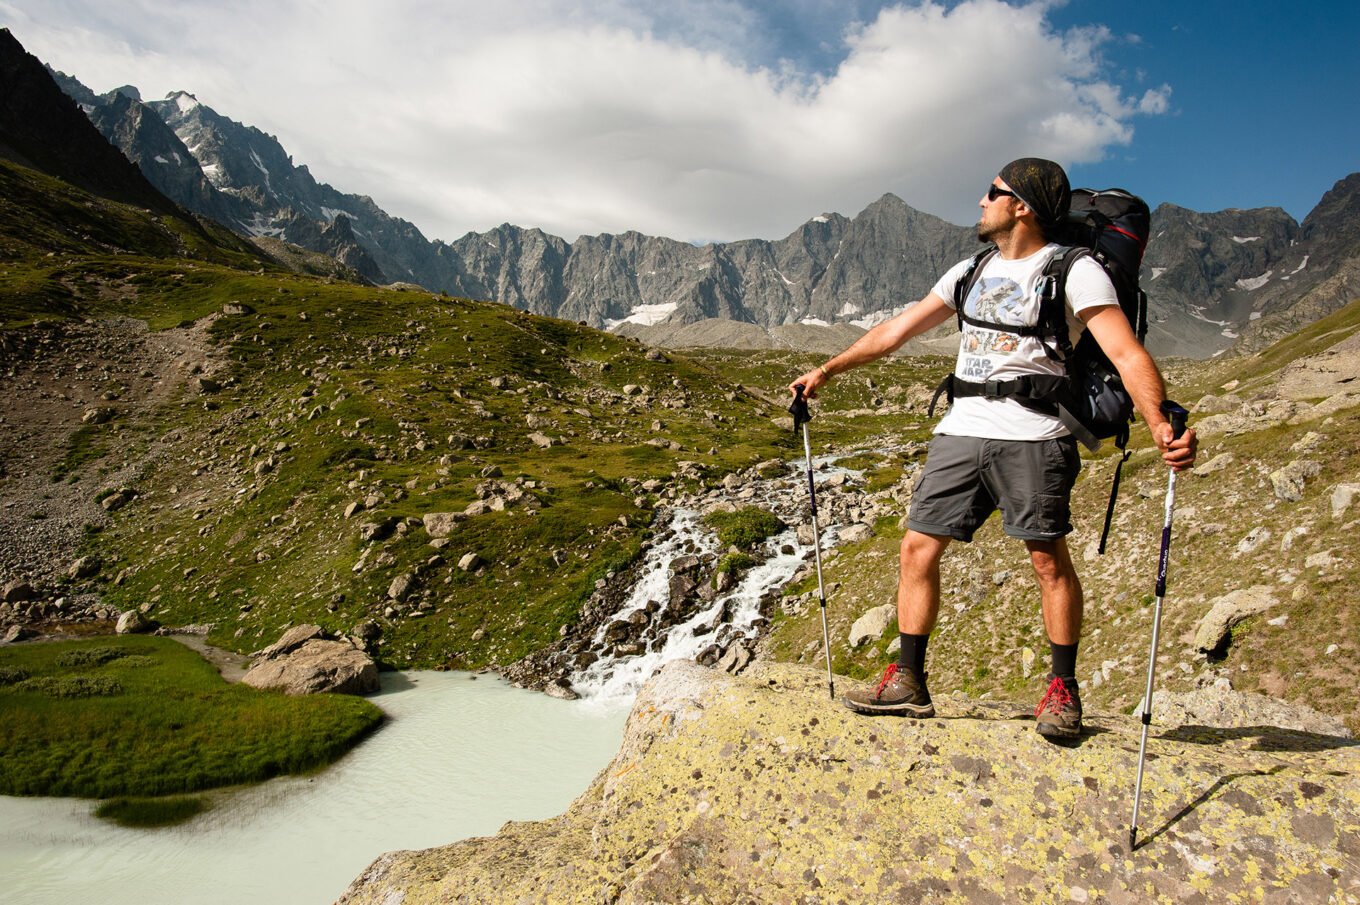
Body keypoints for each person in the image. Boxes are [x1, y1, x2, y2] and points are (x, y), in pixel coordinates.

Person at [789, 158, 1197, 739]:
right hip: (962, 429)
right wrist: (826, 371)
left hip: (1036, 434)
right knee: (916, 548)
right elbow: (896, 332)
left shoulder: (1074, 271)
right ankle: (909, 680)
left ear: (1022, 205)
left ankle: (1062, 689)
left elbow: (1126, 353)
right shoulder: (970, 269)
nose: (981, 202)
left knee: (1046, 560)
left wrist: (1159, 421)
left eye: (992, 192)